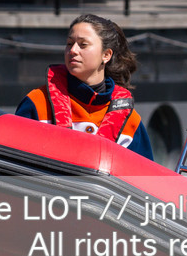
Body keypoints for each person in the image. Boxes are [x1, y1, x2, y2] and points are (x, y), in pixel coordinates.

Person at [17, 14, 153, 159]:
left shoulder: (130, 121)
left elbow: (145, 178)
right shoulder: (37, 103)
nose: (73, 50)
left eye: (83, 44)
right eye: (69, 43)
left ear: (106, 55)